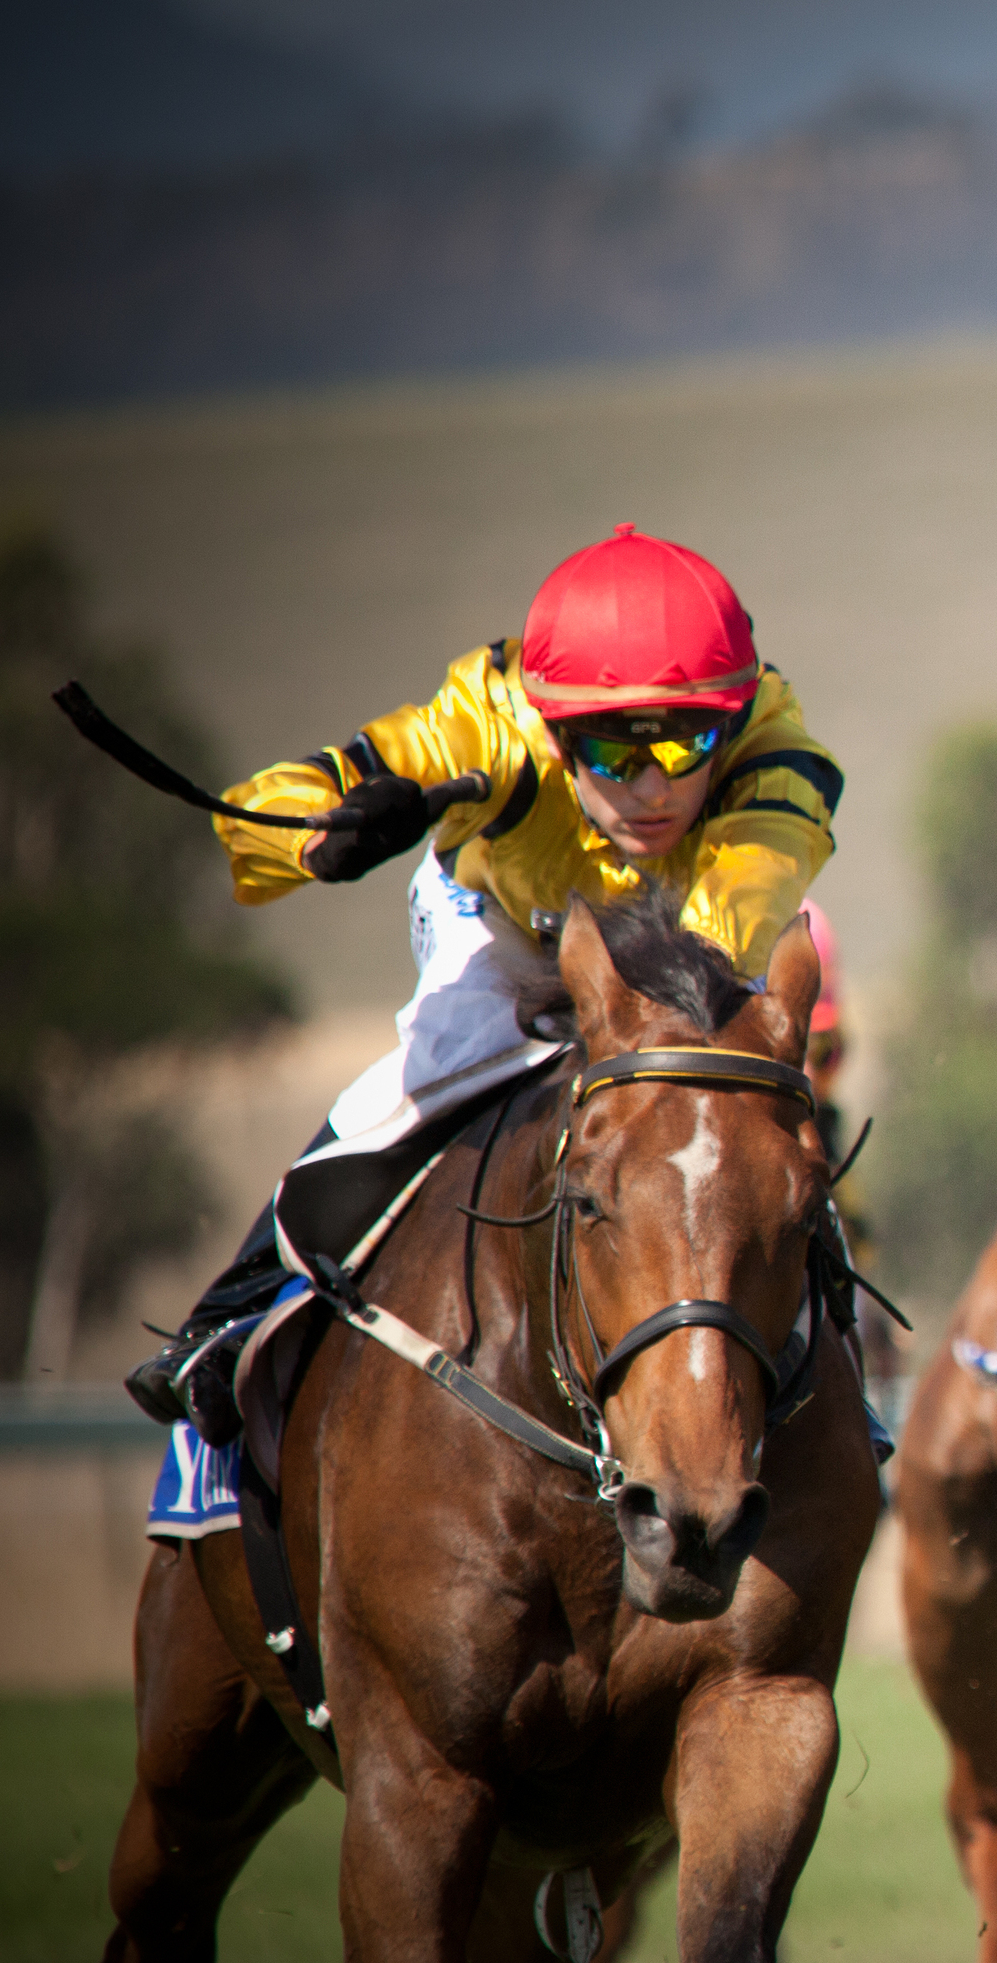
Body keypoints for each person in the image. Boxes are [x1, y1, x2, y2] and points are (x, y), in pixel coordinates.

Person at [126, 523, 841, 1443]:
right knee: (434, 1077)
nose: (651, 789)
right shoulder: (489, 723)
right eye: (613, 750)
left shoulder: (781, 751)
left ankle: (839, 1384)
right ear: (549, 727)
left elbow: (745, 896)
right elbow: (272, 802)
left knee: (765, 1137)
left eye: (684, 744)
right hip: (502, 924)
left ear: (736, 720)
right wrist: (317, 832)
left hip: (689, 942)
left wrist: (648, 1012)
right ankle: (232, 1311)